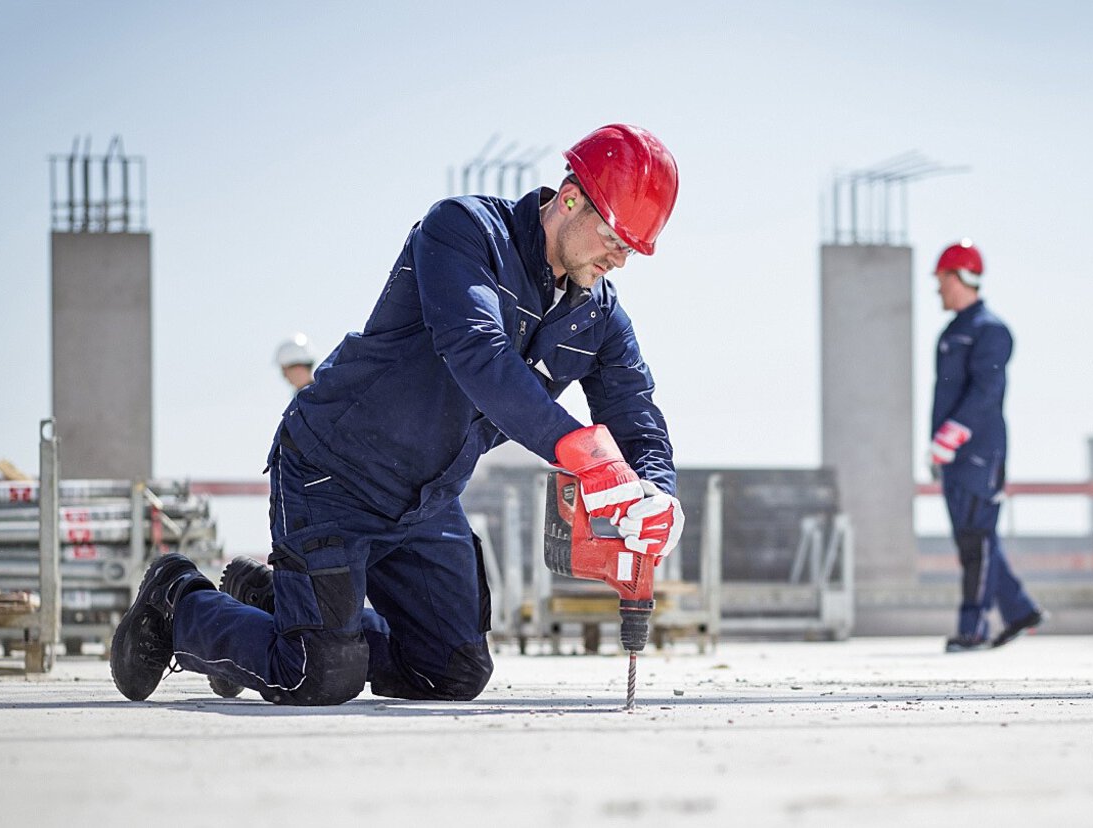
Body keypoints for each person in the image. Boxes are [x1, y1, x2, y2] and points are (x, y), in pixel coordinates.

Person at [110, 124, 685, 705]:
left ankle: (276, 605)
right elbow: (476, 352)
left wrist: (658, 494)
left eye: (633, 249)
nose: (620, 257)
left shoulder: (599, 319)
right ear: (570, 198)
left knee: (452, 673)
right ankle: (178, 601)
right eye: (614, 235)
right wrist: (581, 454)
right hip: (334, 474)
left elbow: (636, 414)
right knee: (318, 672)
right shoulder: (464, 233)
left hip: (427, 500)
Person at [929, 239, 1044, 653]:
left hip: (979, 455)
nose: (936, 288)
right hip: (955, 457)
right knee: (976, 539)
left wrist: (951, 435)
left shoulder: (990, 330)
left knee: (976, 542)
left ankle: (972, 629)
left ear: (958, 277)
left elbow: (987, 390)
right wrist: (939, 447)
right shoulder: (952, 331)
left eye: (941, 278)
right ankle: (1020, 612)